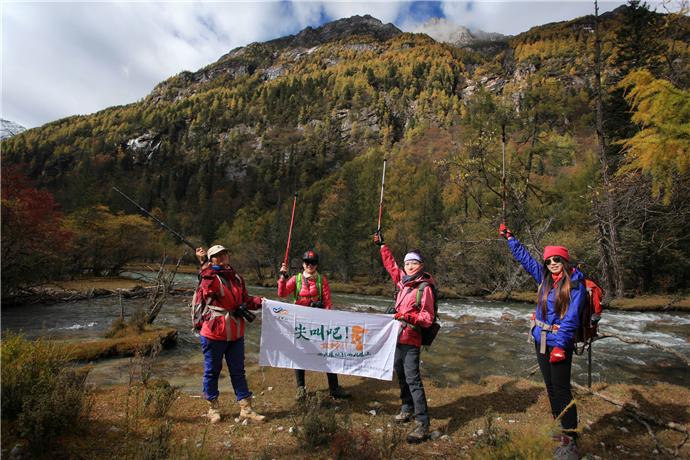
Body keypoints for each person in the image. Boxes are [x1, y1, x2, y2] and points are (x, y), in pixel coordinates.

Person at [499, 224, 585, 460]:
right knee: (550, 388)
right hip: (541, 340)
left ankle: (572, 441)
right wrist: (510, 239)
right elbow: (526, 260)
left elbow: (572, 318)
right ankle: (560, 431)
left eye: (557, 259)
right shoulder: (545, 278)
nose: (553, 263)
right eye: (549, 260)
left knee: (562, 390)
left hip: (559, 342)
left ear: (565, 260)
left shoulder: (576, 283)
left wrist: (560, 345)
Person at [373, 231, 434, 444]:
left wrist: (405, 316)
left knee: (413, 379)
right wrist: (382, 246)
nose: (408, 266)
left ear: (420, 265)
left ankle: (422, 423)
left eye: (413, 263)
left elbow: (427, 318)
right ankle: (406, 408)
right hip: (397, 337)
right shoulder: (404, 283)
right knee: (400, 373)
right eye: (407, 263)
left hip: (412, 339)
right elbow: (391, 266)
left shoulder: (424, 288)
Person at [195, 244, 267, 424]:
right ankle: (213, 408)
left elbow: (245, 300)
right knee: (212, 371)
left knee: (238, 371)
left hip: (235, 333)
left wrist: (262, 302)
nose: (222, 257)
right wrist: (204, 264)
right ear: (211, 260)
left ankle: (246, 409)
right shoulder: (209, 276)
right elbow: (208, 288)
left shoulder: (236, 278)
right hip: (214, 333)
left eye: (224, 253)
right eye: (217, 255)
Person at [278, 250, 351, 400]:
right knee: (299, 353)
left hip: (318, 322)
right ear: (303, 264)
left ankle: (334, 388)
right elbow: (282, 293)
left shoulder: (321, 280)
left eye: (313, 263)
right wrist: (282, 278)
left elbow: (328, 301)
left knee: (327, 353)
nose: (309, 265)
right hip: (300, 322)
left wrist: (327, 318)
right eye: (307, 262)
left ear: (316, 265)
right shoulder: (296, 279)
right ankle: (301, 389)